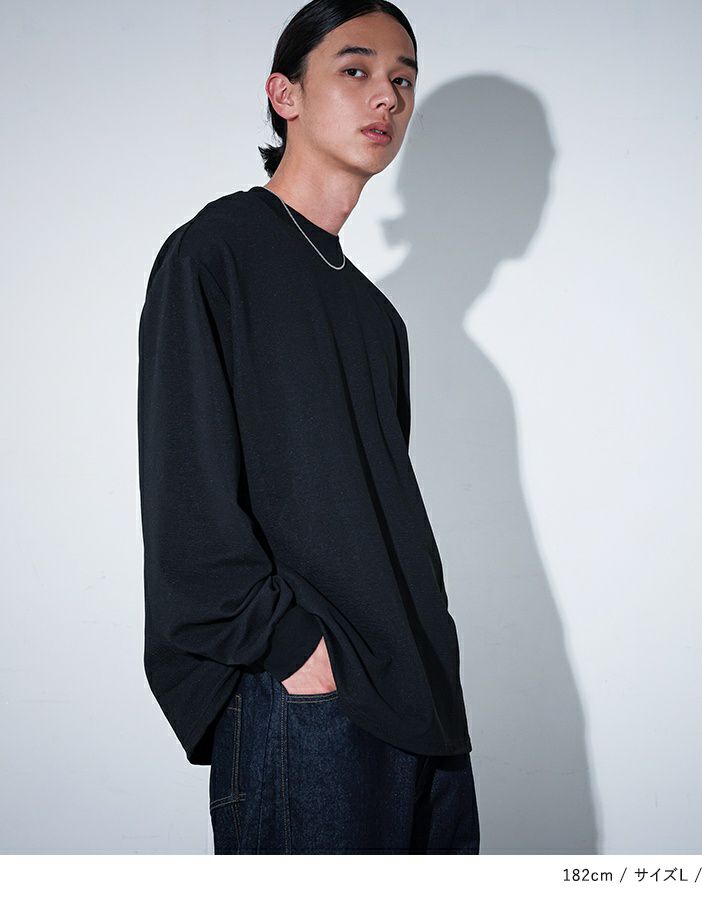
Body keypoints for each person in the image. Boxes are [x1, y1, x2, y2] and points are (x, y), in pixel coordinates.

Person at [137, 0, 479, 854]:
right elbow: (187, 490)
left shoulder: (376, 317)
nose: (387, 97)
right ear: (284, 95)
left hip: (424, 702)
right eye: (355, 70)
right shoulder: (215, 253)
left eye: (403, 80)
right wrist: (294, 651)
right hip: (308, 701)